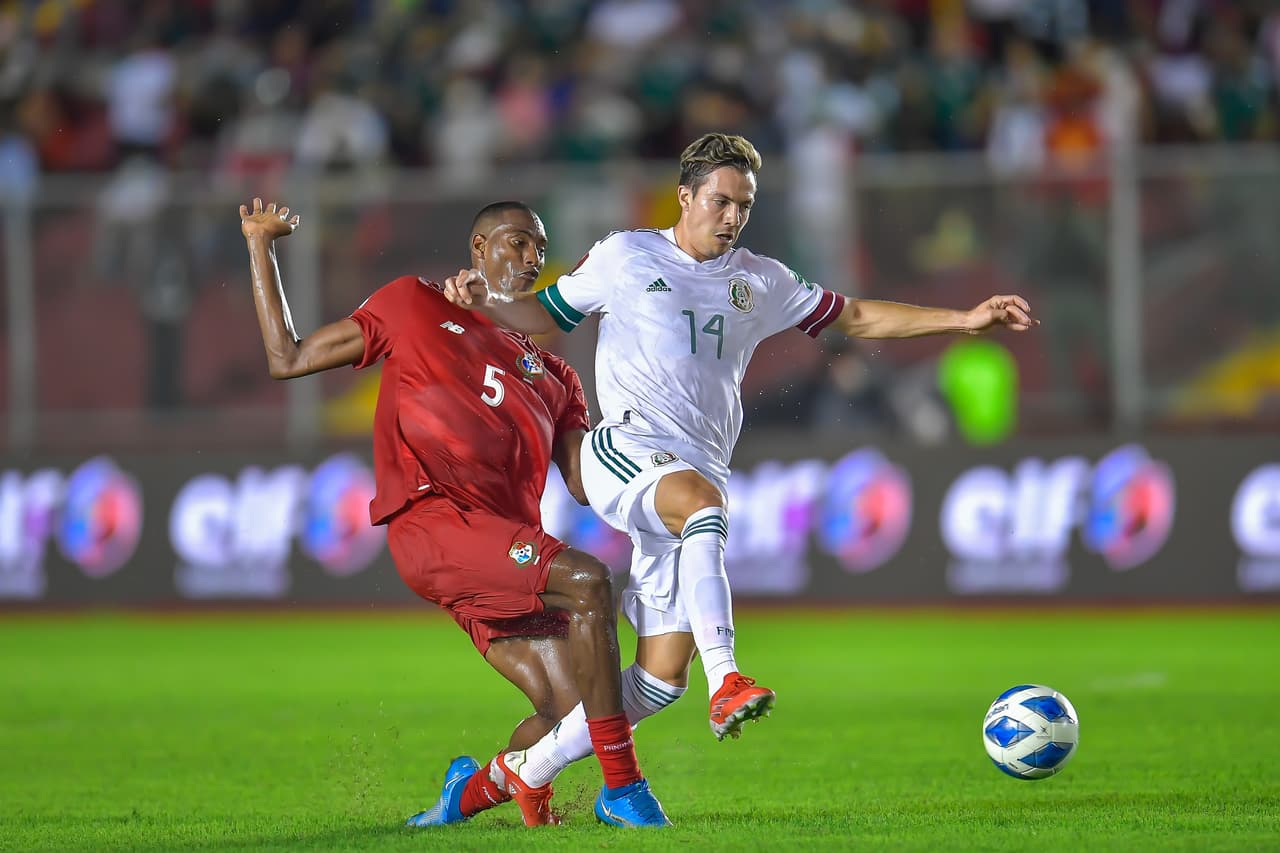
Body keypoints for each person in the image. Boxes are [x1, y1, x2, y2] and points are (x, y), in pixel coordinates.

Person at [441, 133, 1038, 798]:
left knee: (659, 680)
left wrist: (963, 317)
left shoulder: (760, 279)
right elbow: (543, 313)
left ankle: (509, 776)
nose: (732, 216)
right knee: (702, 504)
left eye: (744, 205)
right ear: (686, 195)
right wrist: (482, 302)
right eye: (721, 201)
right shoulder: (626, 255)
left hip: (693, 472)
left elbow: (859, 316)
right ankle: (729, 675)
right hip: (626, 449)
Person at [238, 197, 670, 828]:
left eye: (538, 251)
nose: (529, 259)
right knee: (586, 580)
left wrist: (654, 445)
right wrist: (260, 245)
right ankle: (624, 787)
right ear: (478, 249)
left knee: (571, 709)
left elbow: (585, 483)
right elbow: (288, 358)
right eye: (516, 243)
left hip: (499, 549)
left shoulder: (554, 376)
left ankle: (466, 795)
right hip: (433, 523)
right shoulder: (415, 303)